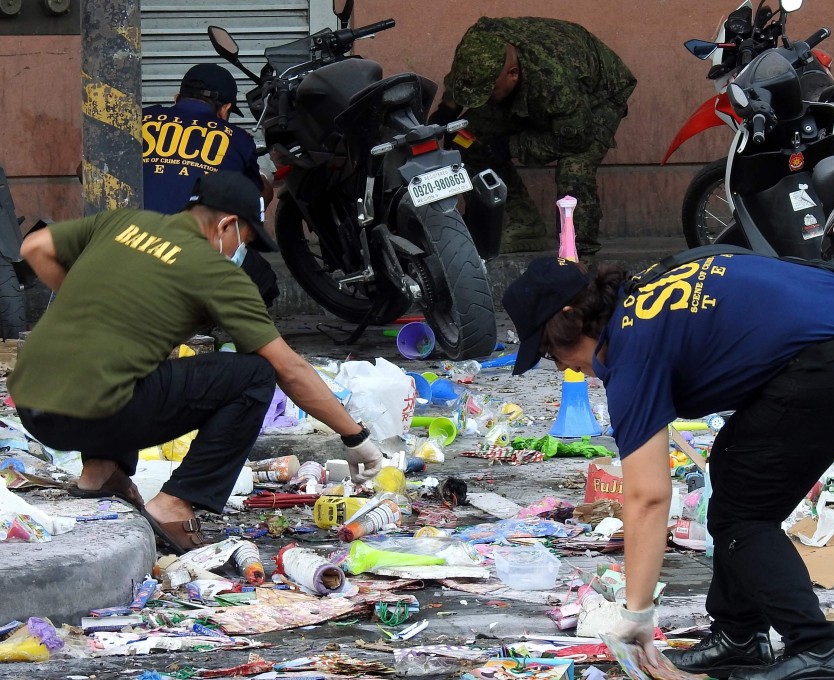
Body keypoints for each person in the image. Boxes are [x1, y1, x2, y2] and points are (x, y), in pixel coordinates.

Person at [502, 248, 834, 680]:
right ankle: (739, 635)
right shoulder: (643, 295)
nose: (561, 367)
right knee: (731, 469)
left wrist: (637, 612)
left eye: (548, 353)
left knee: (743, 514)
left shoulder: (632, 351)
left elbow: (647, 496)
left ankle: (816, 649)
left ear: (568, 324)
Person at [8, 171, 384, 555]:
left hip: (33, 405)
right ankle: (175, 502)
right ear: (226, 225)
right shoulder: (216, 273)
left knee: (130, 362)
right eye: (246, 240)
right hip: (95, 412)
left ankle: (100, 474)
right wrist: (356, 437)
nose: (242, 252)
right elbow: (289, 368)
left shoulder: (124, 221)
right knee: (255, 374)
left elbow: (35, 245)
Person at [430, 17, 636, 256]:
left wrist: (512, 146)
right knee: (465, 137)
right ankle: (523, 223)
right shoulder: (478, 44)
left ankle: (578, 257)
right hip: (539, 89)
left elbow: (576, 137)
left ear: (512, 73)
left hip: (598, 95)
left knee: (574, 170)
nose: (483, 99)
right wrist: (446, 112)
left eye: (490, 90)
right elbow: (463, 79)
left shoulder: (554, 82)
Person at [142, 63, 279, 307]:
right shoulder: (237, 139)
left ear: (177, 98)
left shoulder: (140, 119)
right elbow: (255, 199)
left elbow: (84, 172)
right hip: (191, 263)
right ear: (225, 109)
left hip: (124, 250)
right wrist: (266, 183)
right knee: (262, 281)